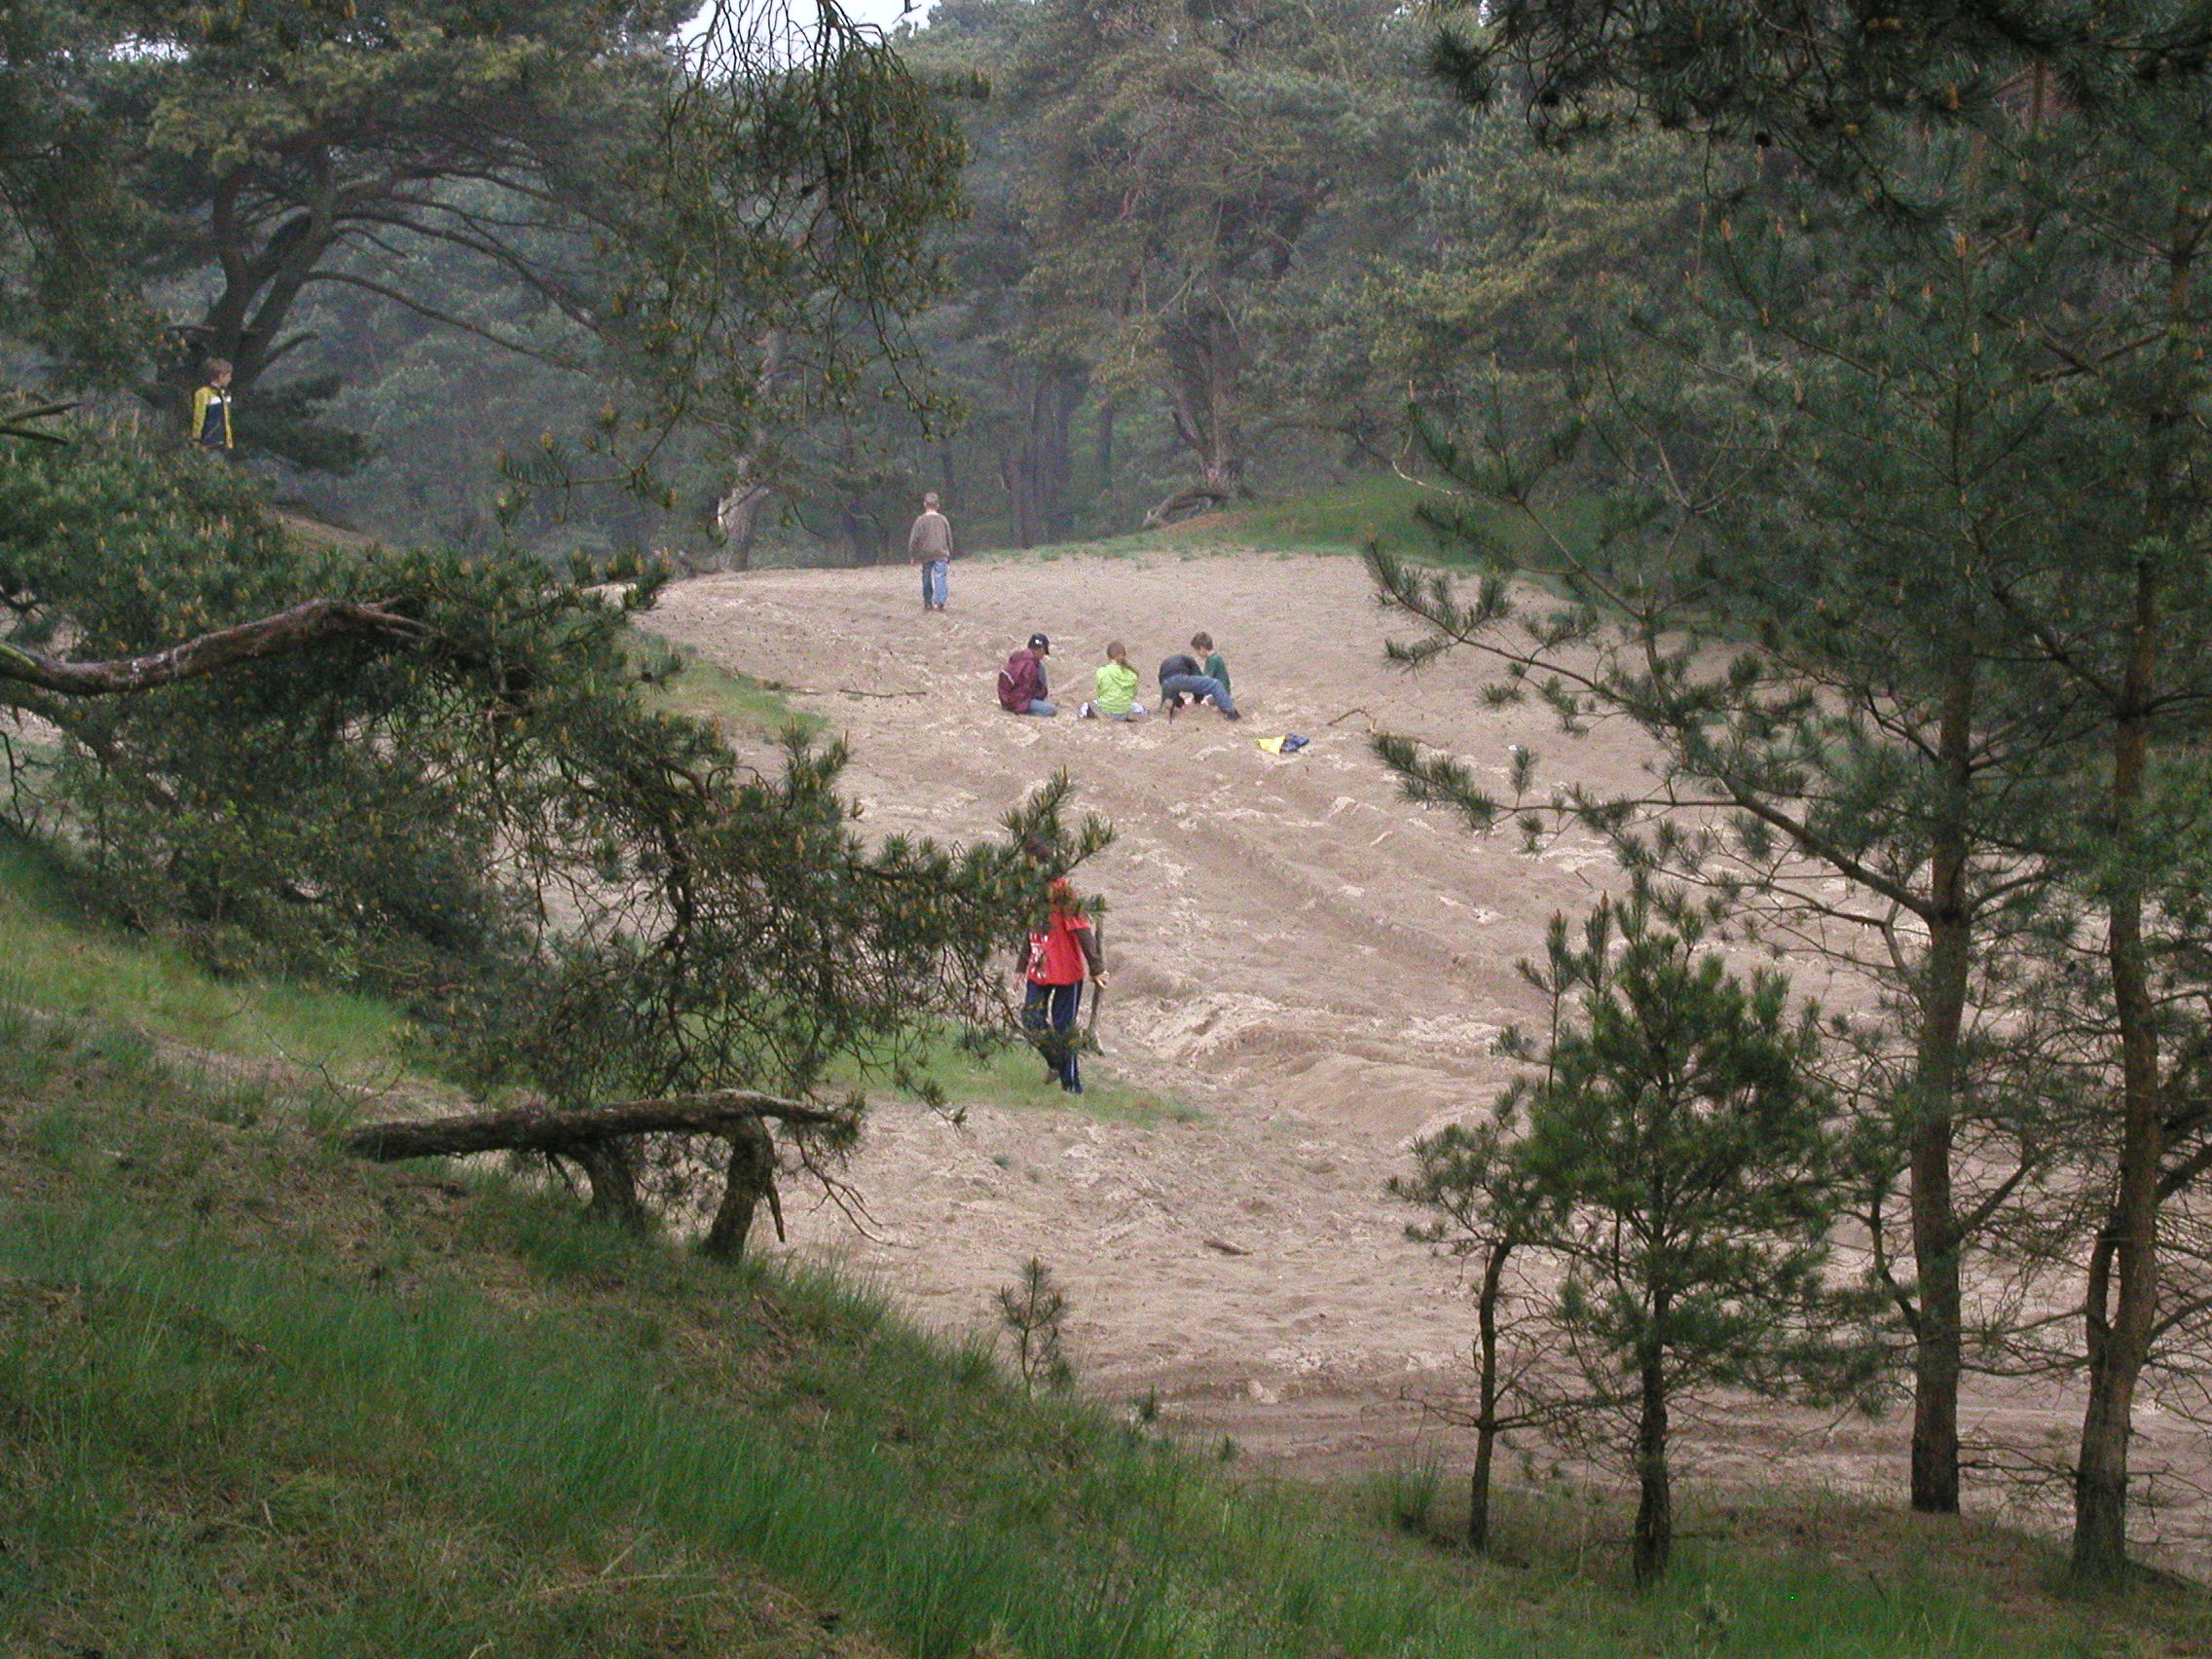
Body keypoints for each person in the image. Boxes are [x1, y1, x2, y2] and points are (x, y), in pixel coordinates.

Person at [1022, 876, 1106, 1093]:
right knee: (1031, 1019)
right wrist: (1021, 967)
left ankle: (1071, 1086)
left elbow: (1084, 934)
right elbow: (1029, 935)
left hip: (1067, 974)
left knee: (1064, 1028)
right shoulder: (1034, 899)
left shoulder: (1068, 902)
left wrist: (1096, 968)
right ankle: (1056, 1062)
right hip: (1038, 971)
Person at [1158, 636, 1239, 719]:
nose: (1197, 653)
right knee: (1214, 684)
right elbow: (1201, 684)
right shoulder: (1191, 661)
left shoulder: (1171, 662)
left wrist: (1180, 703)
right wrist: (1197, 700)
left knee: (1170, 693)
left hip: (1165, 682)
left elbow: (1164, 684)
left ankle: (1165, 712)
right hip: (1178, 678)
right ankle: (1231, 713)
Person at [908, 491, 954, 611]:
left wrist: (912, 554)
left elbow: (914, 539)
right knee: (940, 577)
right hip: (941, 553)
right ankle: (940, 602)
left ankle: (928, 602)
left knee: (926, 576)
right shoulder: (943, 520)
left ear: (924, 504)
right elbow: (949, 536)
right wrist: (950, 552)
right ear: (938, 505)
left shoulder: (920, 520)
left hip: (925, 554)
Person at [1079, 640, 1147, 720]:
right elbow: (1133, 694)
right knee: (1138, 707)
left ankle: (1083, 717)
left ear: (1108, 656)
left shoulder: (1102, 672)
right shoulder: (1132, 674)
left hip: (1106, 710)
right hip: (1124, 711)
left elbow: (1099, 692)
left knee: (1086, 705)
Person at [997, 632, 1057, 716]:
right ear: (1041, 649)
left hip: (1007, 700)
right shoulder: (1032, 665)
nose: (1043, 655)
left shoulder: (1017, 658)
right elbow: (1024, 690)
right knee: (1050, 709)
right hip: (1017, 702)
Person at [190, 358, 235, 456]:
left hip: (223, 442)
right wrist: (196, 440)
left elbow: (226, 420)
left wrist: (229, 441)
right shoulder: (203, 393)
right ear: (220, 376)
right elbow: (199, 417)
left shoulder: (225, 394)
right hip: (208, 442)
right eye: (228, 376)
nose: (230, 379)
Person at [1193, 631, 1232, 701]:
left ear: (1202, 648)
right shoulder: (1216, 657)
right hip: (1225, 691)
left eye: (1197, 651)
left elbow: (1206, 680)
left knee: (1197, 702)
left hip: (1220, 694)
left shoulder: (1211, 660)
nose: (1197, 654)